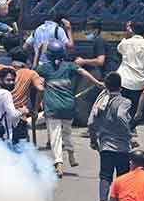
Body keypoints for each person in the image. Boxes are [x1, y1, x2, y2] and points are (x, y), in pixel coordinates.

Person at [37, 41, 104, 177]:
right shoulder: (69, 66)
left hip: (53, 107)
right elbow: (83, 72)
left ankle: (59, 164)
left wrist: (38, 53)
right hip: (68, 106)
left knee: (55, 136)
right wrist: (97, 83)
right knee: (67, 132)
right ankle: (71, 154)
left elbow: (36, 77)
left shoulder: (45, 68)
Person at [89, 73, 134, 201]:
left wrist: (93, 140)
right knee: (123, 178)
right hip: (122, 147)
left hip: (105, 145)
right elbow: (121, 116)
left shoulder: (100, 101)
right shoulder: (124, 101)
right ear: (120, 87)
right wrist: (129, 135)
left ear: (106, 86)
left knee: (105, 176)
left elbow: (90, 122)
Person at [117, 21, 144, 123]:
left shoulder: (124, 43)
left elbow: (119, 49)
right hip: (139, 82)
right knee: (134, 107)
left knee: (122, 106)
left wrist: (126, 35)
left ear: (132, 30)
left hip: (123, 80)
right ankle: (130, 129)